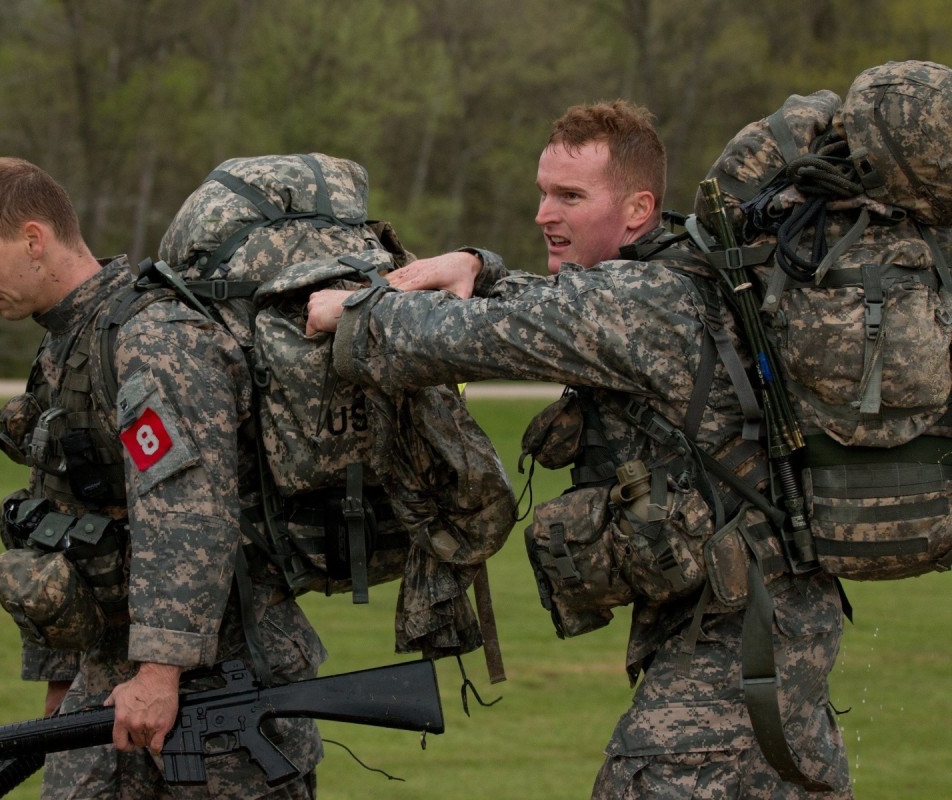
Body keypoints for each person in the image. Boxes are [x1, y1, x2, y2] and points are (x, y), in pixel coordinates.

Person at [307, 101, 851, 797]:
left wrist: (349, 313)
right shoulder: (682, 275)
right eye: (542, 192)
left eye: (569, 196)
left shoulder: (642, 301)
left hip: (736, 649)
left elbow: (469, 339)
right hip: (774, 630)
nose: (543, 214)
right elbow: (558, 310)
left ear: (637, 208)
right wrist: (479, 266)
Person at [0, 156, 325, 799]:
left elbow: (186, 509)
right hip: (111, 680)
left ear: (34, 239)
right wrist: (61, 681)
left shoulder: (153, 337)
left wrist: (159, 673)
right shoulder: (67, 341)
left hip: (217, 687)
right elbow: (59, 517)